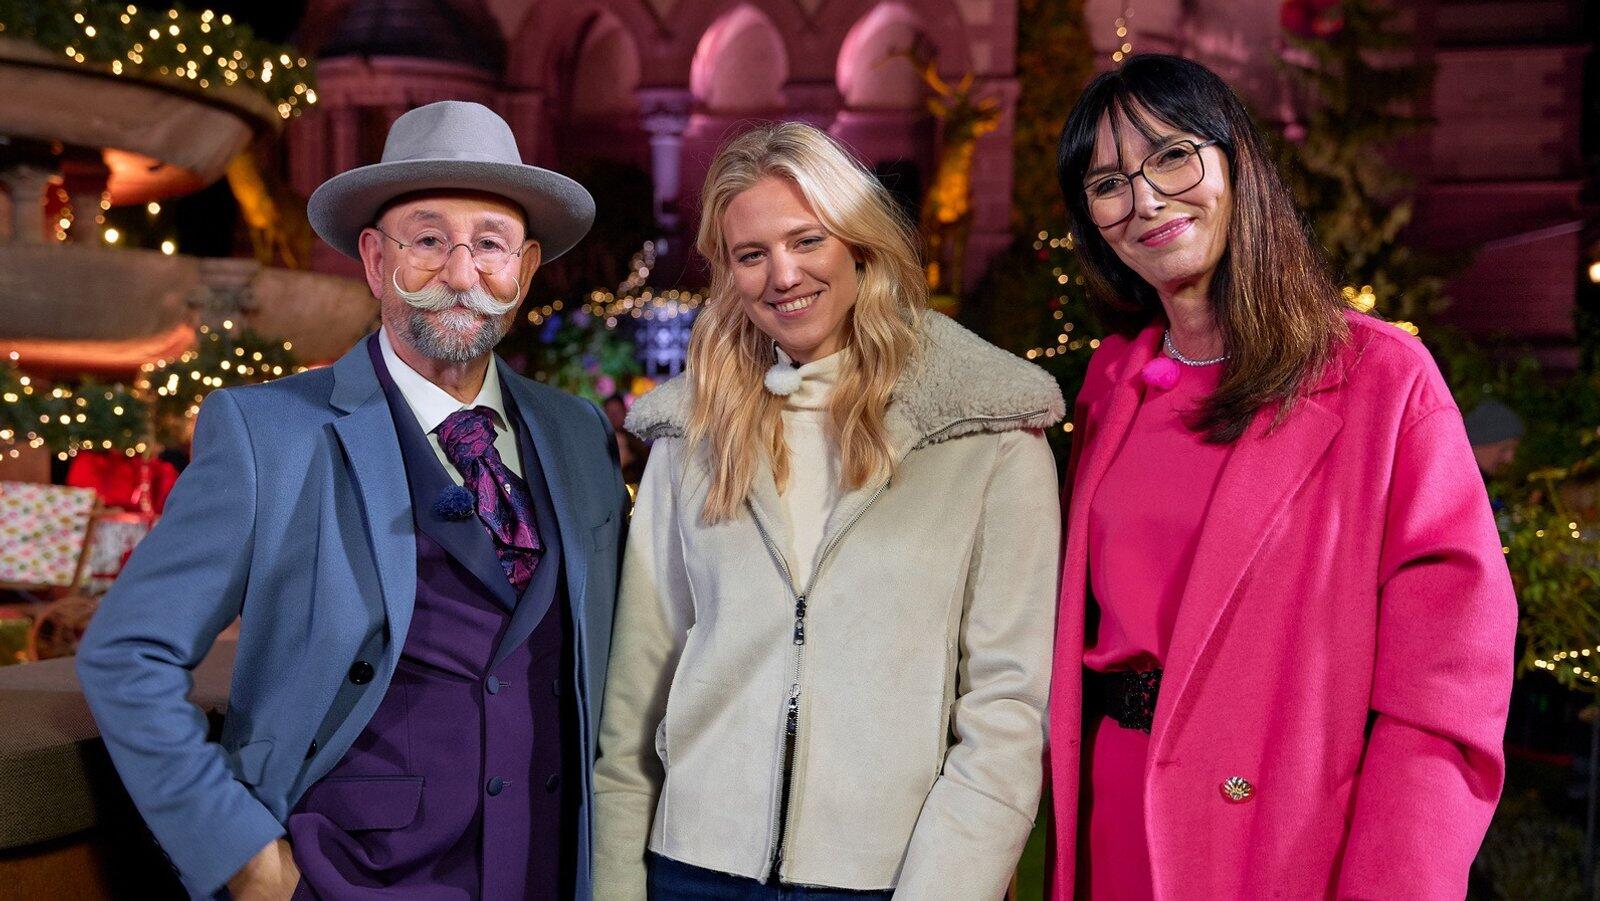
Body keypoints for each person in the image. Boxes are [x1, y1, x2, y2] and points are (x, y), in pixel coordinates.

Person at [76, 101, 628, 900]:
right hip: (344, 880)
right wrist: (244, 858)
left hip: (551, 873)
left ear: (526, 267)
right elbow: (127, 654)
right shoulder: (267, 434)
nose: (462, 273)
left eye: (490, 245)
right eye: (428, 240)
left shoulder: (579, 432)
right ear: (374, 259)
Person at [1048, 55, 1517, 900]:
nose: (1145, 200)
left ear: (1237, 163)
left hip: (1282, 842)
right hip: (1113, 824)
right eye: (1108, 183)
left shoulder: (1381, 379)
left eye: (1172, 156)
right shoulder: (1110, 383)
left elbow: (1445, 693)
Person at [593, 122, 1064, 899]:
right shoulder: (691, 432)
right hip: (691, 869)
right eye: (751, 254)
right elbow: (637, 694)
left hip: (890, 878)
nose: (783, 275)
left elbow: (1007, 707)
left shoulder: (989, 429)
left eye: (807, 240)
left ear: (859, 243)